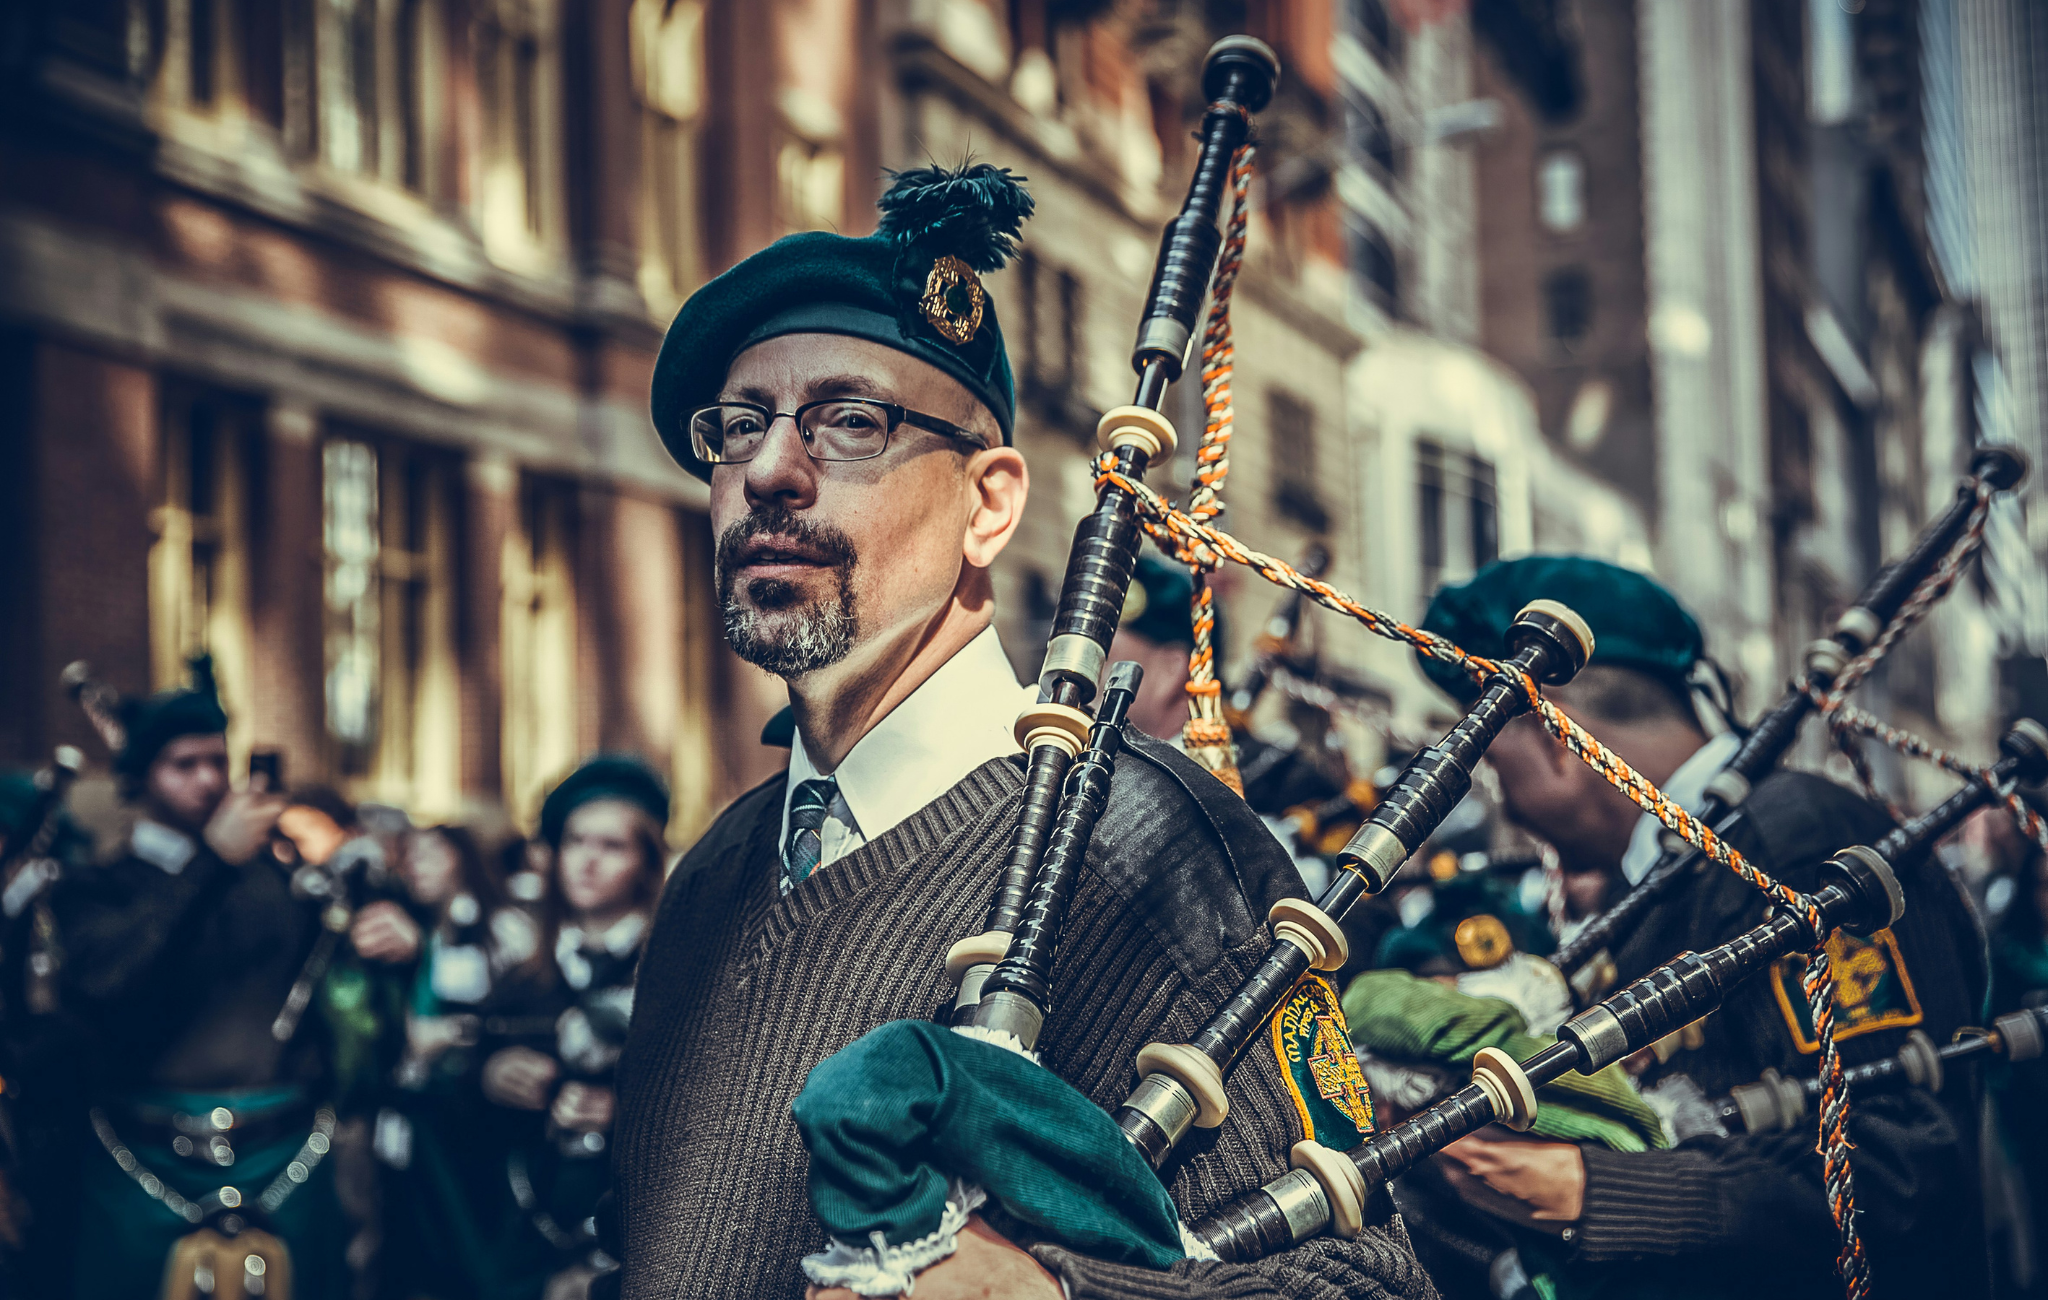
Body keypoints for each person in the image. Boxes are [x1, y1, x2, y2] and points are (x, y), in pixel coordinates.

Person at [608, 164, 1430, 1300]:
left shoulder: (1146, 844)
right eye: (738, 425)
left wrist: (1050, 1296)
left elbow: (1365, 1281)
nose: (768, 470)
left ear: (990, 503)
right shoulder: (714, 870)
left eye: (848, 420)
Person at [1411, 556, 1988, 1299]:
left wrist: (1591, 1191)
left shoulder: (1795, 845)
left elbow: (1902, 1161)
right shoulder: (1667, 872)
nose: (1509, 811)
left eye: (1495, 765)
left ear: (1559, 739)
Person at [49, 659, 354, 1299]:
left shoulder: (275, 879)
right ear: (137, 777)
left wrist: (391, 933)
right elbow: (111, 979)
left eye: (218, 761)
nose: (210, 780)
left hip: (285, 1152)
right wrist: (211, 861)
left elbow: (332, 989)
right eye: (183, 765)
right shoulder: (94, 888)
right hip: (141, 1159)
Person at [481, 756, 669, 1300]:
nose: (587, 861)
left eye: (612, 846)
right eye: (575, 841)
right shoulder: (522, 977)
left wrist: (625, 1112)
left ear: (647, 860)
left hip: (637, 1238)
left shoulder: (675, 970)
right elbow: (463, 1109)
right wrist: (491, 1075)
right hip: (526, 1231)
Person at [374, 822, 545, 1300]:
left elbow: (525, 1012)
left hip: (471, 1118)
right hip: (421, 1115)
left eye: (431, 854)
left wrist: (449, 1033)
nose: (416, 867)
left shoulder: (501, 928)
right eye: (410, 857)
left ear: (461, 857)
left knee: (471, 1245)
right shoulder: (426, 928)